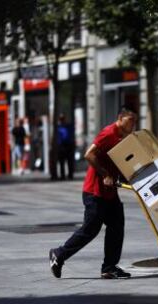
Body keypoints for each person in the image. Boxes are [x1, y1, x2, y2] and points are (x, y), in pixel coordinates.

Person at [49, 106, 137, 279]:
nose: (133, 124)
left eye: (135, 121)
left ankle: (109, 267)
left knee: (116, 226)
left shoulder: (123, 137)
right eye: (130, 120)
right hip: (94, 192)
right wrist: (105, 174)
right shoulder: (108, 133)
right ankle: (58, 254)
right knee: (90, 230)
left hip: (110, 193)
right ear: (120, 118)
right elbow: (89, 155)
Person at [57, 114, 75, 180]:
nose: (62, 120)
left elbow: (71, 136)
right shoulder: (58, 127)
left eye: (63, 119)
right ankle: (62, 175)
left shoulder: (68, 126)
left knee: (69, 161)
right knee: (62, 161)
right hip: (61, 146)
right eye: (61, 119)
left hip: (68, 145)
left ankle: (70, 175)